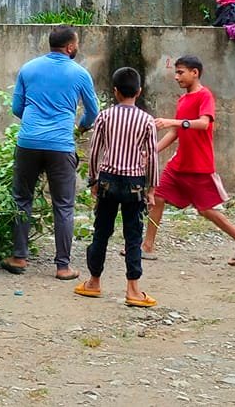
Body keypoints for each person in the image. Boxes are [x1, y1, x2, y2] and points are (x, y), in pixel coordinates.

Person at [144, 56, 235, 266]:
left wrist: (173, 121)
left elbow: (203, 123)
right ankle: (147, 246)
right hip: (179, 163)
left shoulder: (205, 96)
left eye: (181, 72)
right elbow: (175, 133)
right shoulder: (183, 100)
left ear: (194, 73)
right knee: (158, 197)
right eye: (176, 72)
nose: (176, 76)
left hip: (199, 165)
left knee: (206, 209)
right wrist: (151, 152)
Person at [3, 26, 100, 279]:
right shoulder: (80, 74)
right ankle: (63, 266)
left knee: (22, 199)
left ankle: (19, 257)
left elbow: (16, 107)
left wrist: (36, 126)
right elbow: (93, 112)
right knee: (64, 205)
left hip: (28, 143)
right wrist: (79, 127)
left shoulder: (29, 68)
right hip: (61, 146)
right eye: (76, 44)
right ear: (70, 47)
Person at [75, 67, 160, 308]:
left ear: (115, 92)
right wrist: (151, 189)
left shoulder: (104, 116)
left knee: (101, 231)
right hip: (134, 184)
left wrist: (93, 180)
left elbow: (94, 151)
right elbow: (152, 156)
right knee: (133, 236)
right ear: (139, 91)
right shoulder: (146, 120)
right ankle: (133, 289)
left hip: (108, 180)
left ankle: (94, 281)